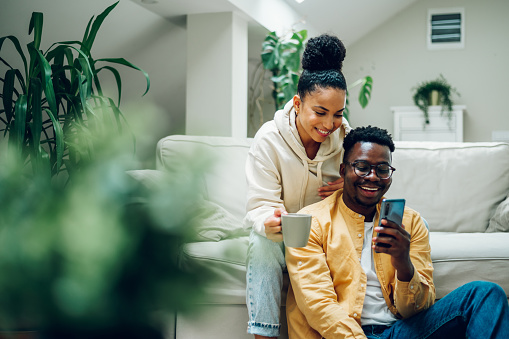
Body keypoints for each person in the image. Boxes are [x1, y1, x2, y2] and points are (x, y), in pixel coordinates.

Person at [285, 125, 509, 338]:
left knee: (485, 294)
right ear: (344, 171)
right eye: (362, 167)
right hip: (342, 336)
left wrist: (404, 264)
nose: (372, 177)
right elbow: (319, 305)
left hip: (400, 331)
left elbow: (418, 309)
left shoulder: (411, 222)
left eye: (382, 169)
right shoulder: (312, 221)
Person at [243, 34, 352, 338]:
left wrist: (350, 187)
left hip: (327, 237)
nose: (330, 124)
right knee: (261, 244)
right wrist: (269, 222)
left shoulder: (347, 139)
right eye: (320, 112)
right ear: (298, 102)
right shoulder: (269, 139)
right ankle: (262, 335)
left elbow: (369, 192)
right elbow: (259, 205)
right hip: (284, 238)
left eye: (338, 114)